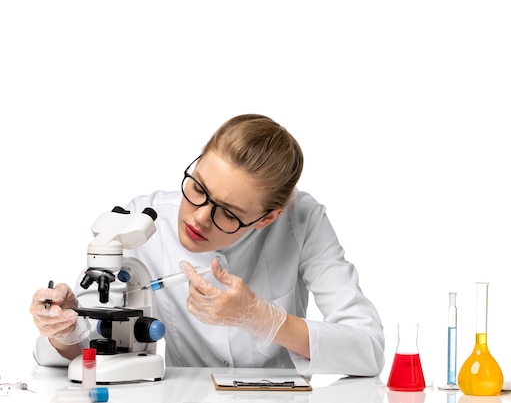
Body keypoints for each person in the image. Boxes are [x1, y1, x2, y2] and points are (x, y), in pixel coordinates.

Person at [30, 114, 385, 376]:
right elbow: (80, 345)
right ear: (198, 161)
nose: (199, 217)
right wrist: (63, 329)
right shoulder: (142, 222)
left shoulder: (302, 220)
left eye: (228, 213)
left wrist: (264, 319)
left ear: (267, 218)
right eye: (198, 189)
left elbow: (368, 350)